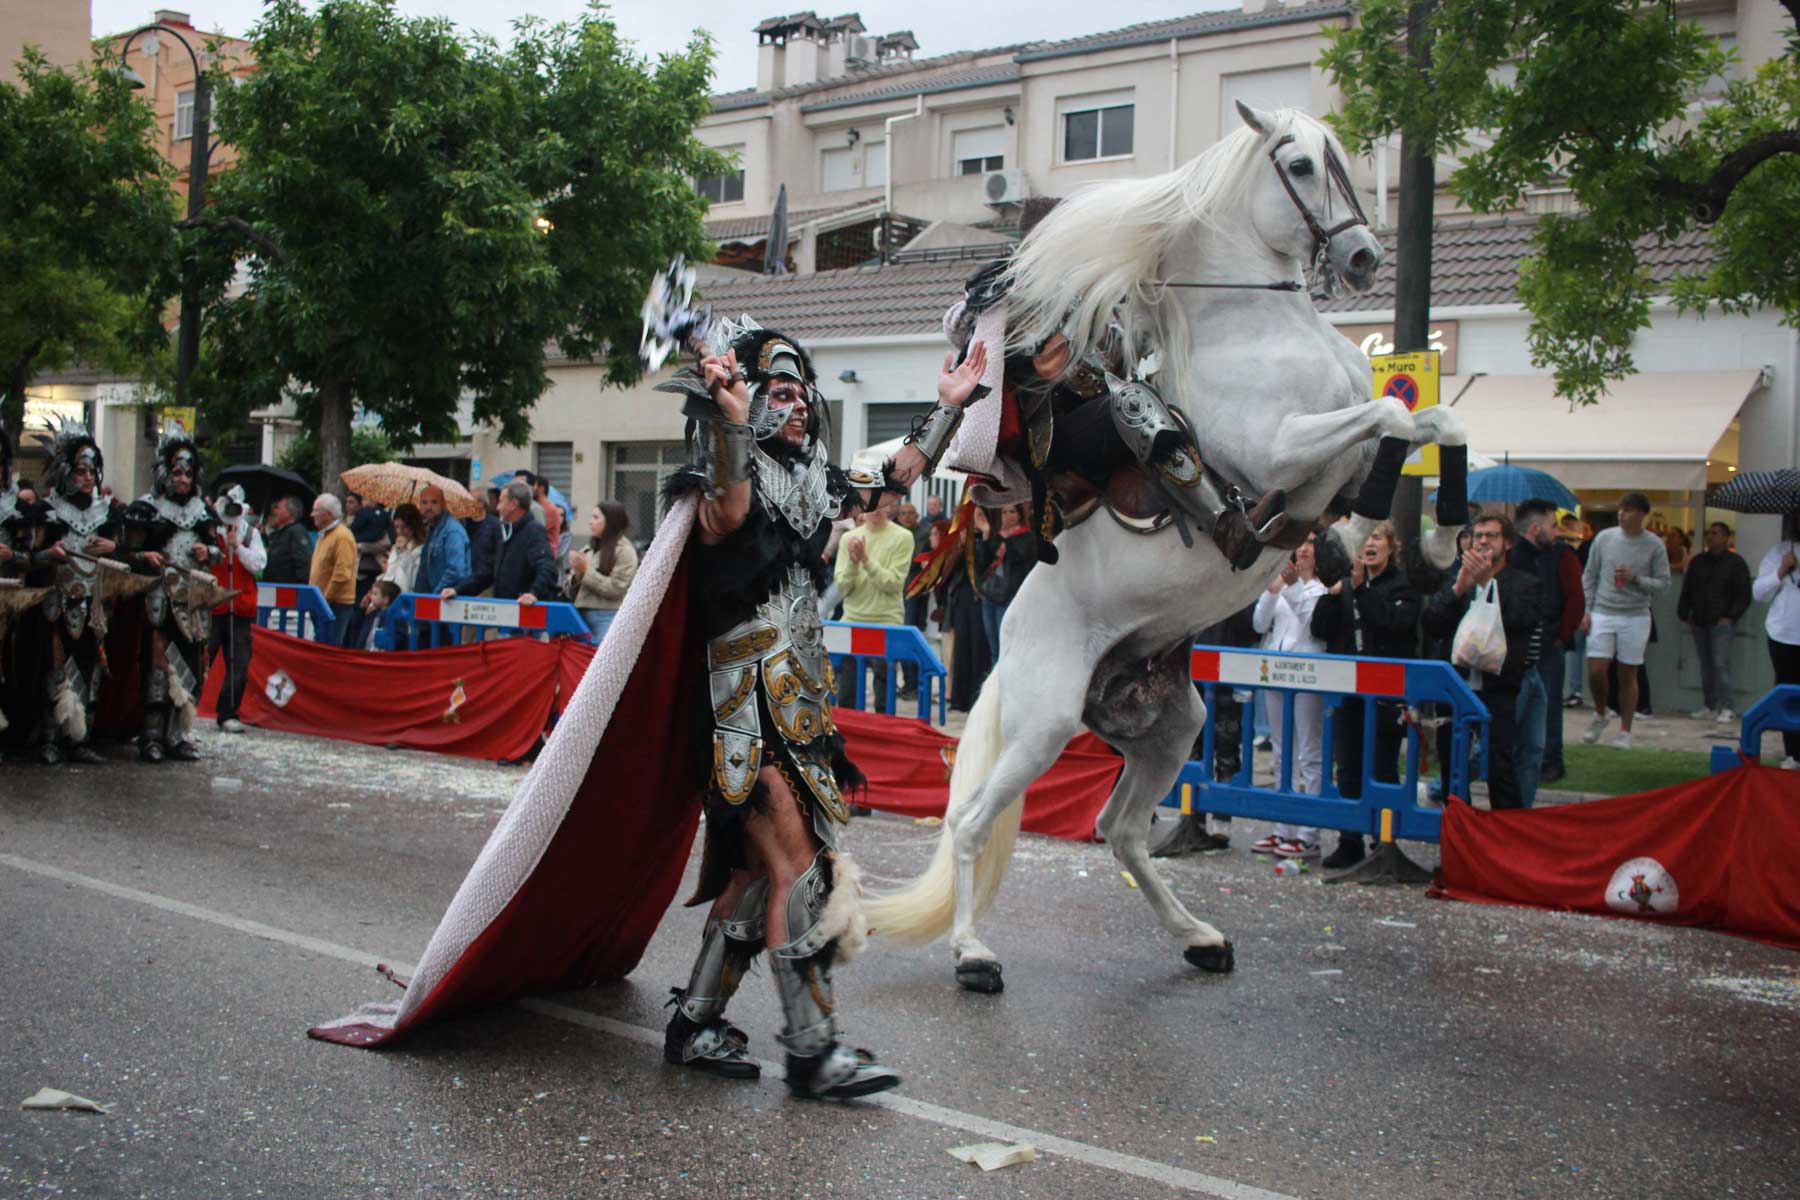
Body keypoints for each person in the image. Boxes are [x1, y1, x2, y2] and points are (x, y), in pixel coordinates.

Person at [1423, 514, 1550, 809]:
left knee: (1499, 767)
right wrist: (1457, 591)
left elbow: (1522, 620)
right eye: (1477, 535)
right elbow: (1431, 625)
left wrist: (1489, 583)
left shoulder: (1524, 583)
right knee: (1451, 768)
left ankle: (1506, 837)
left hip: (1498, 689)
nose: (1482, 541)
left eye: (1490, 536)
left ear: (1507, 543)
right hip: (1455, 689)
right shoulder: (1458, 579)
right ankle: (1459, 833)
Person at [1312, 522, 1419, 867]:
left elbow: (1394, 623)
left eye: (1377, 538)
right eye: (1365, 538)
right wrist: (1331, 596)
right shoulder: (1343, 583)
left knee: (1382, 765)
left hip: (1386, 695)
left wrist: (1361, 591)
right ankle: (1350, 839)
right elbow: (1321, 629)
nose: (1370, 544)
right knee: (1348, 768)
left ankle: (1383, 839)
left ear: (1391, 546)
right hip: (1348, 692)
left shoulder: (1403, 585)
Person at [29, 421, 120, 765]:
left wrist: (114, 547)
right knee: (55, 669)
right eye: (80, 470)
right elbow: (29, 559)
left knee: (89, 670)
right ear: (66, 471)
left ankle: (79, 740)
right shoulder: (46, 511)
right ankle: (50, 739)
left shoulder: (106, 514)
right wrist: (47, 556)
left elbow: (130, 558)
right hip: (56, 602)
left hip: (94, 605)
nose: (86, 477)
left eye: (91, 471)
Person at [125, 433, 217, 762]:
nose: (182, 479)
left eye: (188, 474)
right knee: (157, 667)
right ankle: (151, 737)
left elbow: (217, 553)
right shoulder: (147, 508)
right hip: (158, 598)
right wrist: (146, 556)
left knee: (189, 667)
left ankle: (176, 735)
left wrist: (209, 551)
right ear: (165, 473)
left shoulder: (202, 511)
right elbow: (128, 553)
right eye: (177, 473)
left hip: (192, 601)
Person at [1250, 531, 1329, 858]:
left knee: (1309, 753)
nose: (1304, 549)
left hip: (1309, 674)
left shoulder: (1321, 588)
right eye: (1301, 542)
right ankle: (1282, 827)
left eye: (1311, 543)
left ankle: (1309, 832)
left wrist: (1294, 586)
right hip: (1276, 671)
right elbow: (1259, 624)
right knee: (1282, 752)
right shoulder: (1283, 587)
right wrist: (1271, 593)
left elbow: (1313, 624)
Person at [1580, 493, 1671, 749]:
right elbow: (1589, 575)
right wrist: (1585, 610)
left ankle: (1625, 731)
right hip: (1603, 610)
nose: (1622, 514)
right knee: (1596, 669)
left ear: (1642, 514)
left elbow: (1664, 584)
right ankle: (1601, 712)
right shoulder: (1604, 538)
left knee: (1627, 673)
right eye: (1621, 509)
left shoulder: (1654, 545)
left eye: (1629, 510)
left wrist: (1636, 579)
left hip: (1636, 614)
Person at [1511, 500, 1584, 784]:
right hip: (1522, 648)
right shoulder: (1518, 556)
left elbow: (1575, 599)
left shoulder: (1562, 556)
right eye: (1553, 526)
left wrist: (1560, 637)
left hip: (1549, 644)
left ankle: (1551, 759)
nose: (1557, 532)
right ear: (1534, 528)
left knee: (1549, 705)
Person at [833, 490, 914, 713]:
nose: (875, 510)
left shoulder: (903, 537)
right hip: (853, 620)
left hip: (886, 620)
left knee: (884, 690)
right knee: (847, 689)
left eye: (882, 504)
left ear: (891, 506)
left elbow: (894, 584)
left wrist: (866, 560)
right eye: (870, 504)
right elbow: (841, 587)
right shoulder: (849, 538)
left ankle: (883, 736)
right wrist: (853, 562)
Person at [1678, 520, 1752, 722]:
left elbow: (1744, 594)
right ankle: (1709, 704)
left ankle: (1727, 706)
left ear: (1726, 538)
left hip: (1722, 622)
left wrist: (1730, 616)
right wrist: (1685, 614)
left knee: (1720, 664)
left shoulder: (1735, 563)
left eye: (1716, 533)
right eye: (1709, 533)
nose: (1710, 536)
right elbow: (1688, 589)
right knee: (1705, 665)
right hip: (1699, 621)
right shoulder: (1698, 562)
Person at [439, 480, 555, 606]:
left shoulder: (533, 531)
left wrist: (534, 594)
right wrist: (458, 589)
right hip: (507, 612)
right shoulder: (506, 532)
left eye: (501, 501)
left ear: (513, 504)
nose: (497, 507)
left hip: (525, 615)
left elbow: (546, 567)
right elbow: (489, 571)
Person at [208, 486, 266, 734]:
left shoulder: (250, 533)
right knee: (203, 659)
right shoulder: (210, 530)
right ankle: (184, 707)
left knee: (239, 662)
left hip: (241, 606)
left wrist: (237, 548)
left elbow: (259, 564)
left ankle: (228, 712)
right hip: (213, 605)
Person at [1751, 511, 1800, 769]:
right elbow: (1759, 592)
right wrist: (1781, 571)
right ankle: (1793, 752)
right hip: (1783, 635)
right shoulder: (1780, 551)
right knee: (1787, 693)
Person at [974, 503, 1037, 662]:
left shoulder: (1028, 537)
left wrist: (1007, 540)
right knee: (994, 647)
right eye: (1004, 512)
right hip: (990, 595)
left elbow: (1020, 557)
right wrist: (986, 535)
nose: (1008, 516)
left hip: (1011, 596)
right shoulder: (996, 537)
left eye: (1012, 512)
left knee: (1006, 646)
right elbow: (981, 563)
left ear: (1020, 515)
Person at [565, 501, 636, 643]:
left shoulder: (624, 551)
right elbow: (568, 587)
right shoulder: (588, 549)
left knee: (601, 661)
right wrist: (576, 577)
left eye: (596, 518)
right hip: (580, 615)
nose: (590, 522)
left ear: (611, 521)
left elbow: (616, 588)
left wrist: (585, 572)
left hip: (607, 615)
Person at [412, 485, 471, 646]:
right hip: (428, 610)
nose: (428, 507)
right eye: (424, 503)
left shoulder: (452, 531)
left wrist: (434, 596)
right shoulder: (433, 529)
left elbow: (456, 570)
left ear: (443, 504)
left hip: (443, 609)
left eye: (433, 502)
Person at [359, 503, 424, 648]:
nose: (400, 531)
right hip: (386, 605)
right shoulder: (395, 547)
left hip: (405, 606)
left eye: (404, 527)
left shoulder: (421, 549)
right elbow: (389, 574)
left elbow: (411, 579)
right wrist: (373, 596)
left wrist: (406, 553)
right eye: (396, 527)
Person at [309, 494, 358, 643]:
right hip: (323, 602)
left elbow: (342, 574)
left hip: (335, 604)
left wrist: (325, 600)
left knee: (329, 648)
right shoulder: (324, 535)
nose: (312, 515)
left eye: (316, 510)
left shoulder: (342, 536)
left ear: (328, 514)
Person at [263, 496, 313, 584]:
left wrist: (300, 589)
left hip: (289, 590)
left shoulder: (296, 531)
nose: (274, 511)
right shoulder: (277, 534)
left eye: (278, 508)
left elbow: (304, 563)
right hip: (273, 588)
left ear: (289, 513)